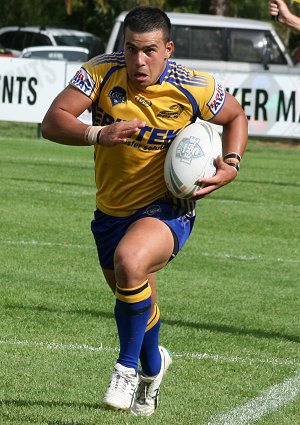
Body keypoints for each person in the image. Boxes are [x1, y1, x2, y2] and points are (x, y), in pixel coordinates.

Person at [41, 6, 248, 417]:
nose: (139, 60)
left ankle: (126, 369)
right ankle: (155, 368)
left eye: (150, 50)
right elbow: (52, 121)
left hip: (169, 207)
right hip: (110, 212)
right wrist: (99, 133)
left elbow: (235, 115)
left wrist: (232, 163)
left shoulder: (193, 85)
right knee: (133, 294)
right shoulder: (101, 72)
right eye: (132, 49)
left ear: (168, 49)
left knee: (131, 261)